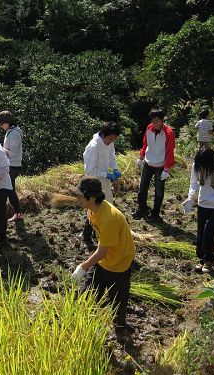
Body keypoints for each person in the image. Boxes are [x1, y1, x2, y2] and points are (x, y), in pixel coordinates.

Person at [71, 177, 135, 330]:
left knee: (117, 307)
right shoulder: (92, 210)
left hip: (119, 263)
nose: (77, 198)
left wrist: (83, 267)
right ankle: (82, 328)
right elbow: (101, 248)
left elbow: (101, 251)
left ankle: (121, 330)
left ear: (92, 198)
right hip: (103, 261)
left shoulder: (109, 218)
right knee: (85, 298)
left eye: (80, 195)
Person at [82, 122, 122, 250]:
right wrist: (107, 174)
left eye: (114, 139)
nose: (111, 142)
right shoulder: (93, 147)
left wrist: (115, 169)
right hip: (93, 182)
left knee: (106, 206)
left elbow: (112, 156)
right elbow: (90, 170)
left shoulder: (109, 143)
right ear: (103, 134)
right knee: (94, 209)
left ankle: (100, 233)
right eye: (110, 139)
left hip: (104, 180)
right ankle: (87, 236)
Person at [133, 109, 175, 221]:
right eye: (153, 120)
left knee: (159, 191)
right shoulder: (149, 128)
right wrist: (141, 157)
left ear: (162, 120)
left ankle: (155, 213)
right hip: (148, 162)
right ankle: (142, 208)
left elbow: (170, 151)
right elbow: (145, 143)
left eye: (157, 120)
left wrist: (167, 168)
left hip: (161, 165)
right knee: (142, 188)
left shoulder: (169, 133)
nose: (155, 123)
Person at [0, 110, 24, 222]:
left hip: (13, 165)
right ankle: (18, 213)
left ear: (7, 122)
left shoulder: (13, 134)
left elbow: (13, 152)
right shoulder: (11, 132)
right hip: (11, 164)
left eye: (1, 123)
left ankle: (18, 213)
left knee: (9, 190)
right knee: (10, 189)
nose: (0, 126)